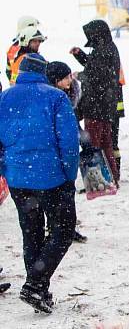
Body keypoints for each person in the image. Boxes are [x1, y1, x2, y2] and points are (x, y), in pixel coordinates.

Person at [0, 53, 80, 314]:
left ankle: (39, 290)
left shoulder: (5, 98)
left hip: (19, 180)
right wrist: (69, 175)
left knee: (31, 232)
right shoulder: (55, 97)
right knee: (63, 230)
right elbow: (68, 143)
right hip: (52, 178)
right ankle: (36, 284)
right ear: (43, 72)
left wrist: (8, 170)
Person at [70, 20, 121, 184]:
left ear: (97, 35)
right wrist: (80, 55)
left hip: (95, 106)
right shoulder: (107, 48)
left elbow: (96, 76)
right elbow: (95, 67)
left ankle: (96, 183)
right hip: (106, 106)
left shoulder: (102, 51)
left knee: (92, 146)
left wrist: (79, 76)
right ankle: (112, 178)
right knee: (106, 145)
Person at [46, 61, 90, 244]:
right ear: (56, 80)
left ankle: (67, 228)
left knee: (66, 194)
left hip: (65, 153)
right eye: (66, 78)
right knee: (55, 195)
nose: (70, 81)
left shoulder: (68, 94)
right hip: (54, 154)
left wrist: (84, 141)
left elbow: (72, 124)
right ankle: (56, 229)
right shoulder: (51, 99)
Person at [6, 15, 40, 84]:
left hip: (16, 86)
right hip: (25, 86)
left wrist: (13, 82)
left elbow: (8, 71)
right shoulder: (27, 51)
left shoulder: (13, 48)